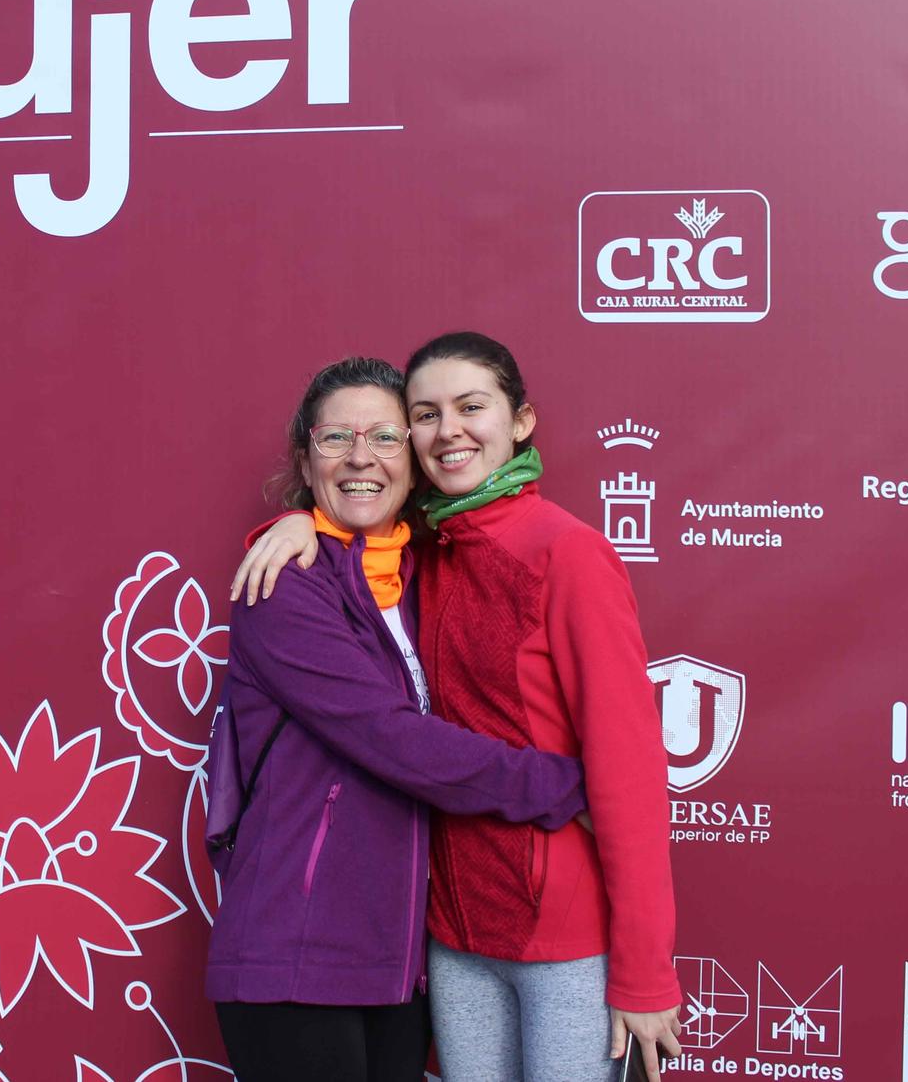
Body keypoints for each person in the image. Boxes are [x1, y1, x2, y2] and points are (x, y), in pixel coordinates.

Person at [233, 332, 682, 1082]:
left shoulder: (564, 552)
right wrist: (296, 522)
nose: (449, 430)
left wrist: (645, 972)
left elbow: (630, 772)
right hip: (448, 938)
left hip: (558, 929)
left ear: (522, 420)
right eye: (427, 413)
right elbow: (352, 587)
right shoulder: (426, 554)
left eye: (471, 407)